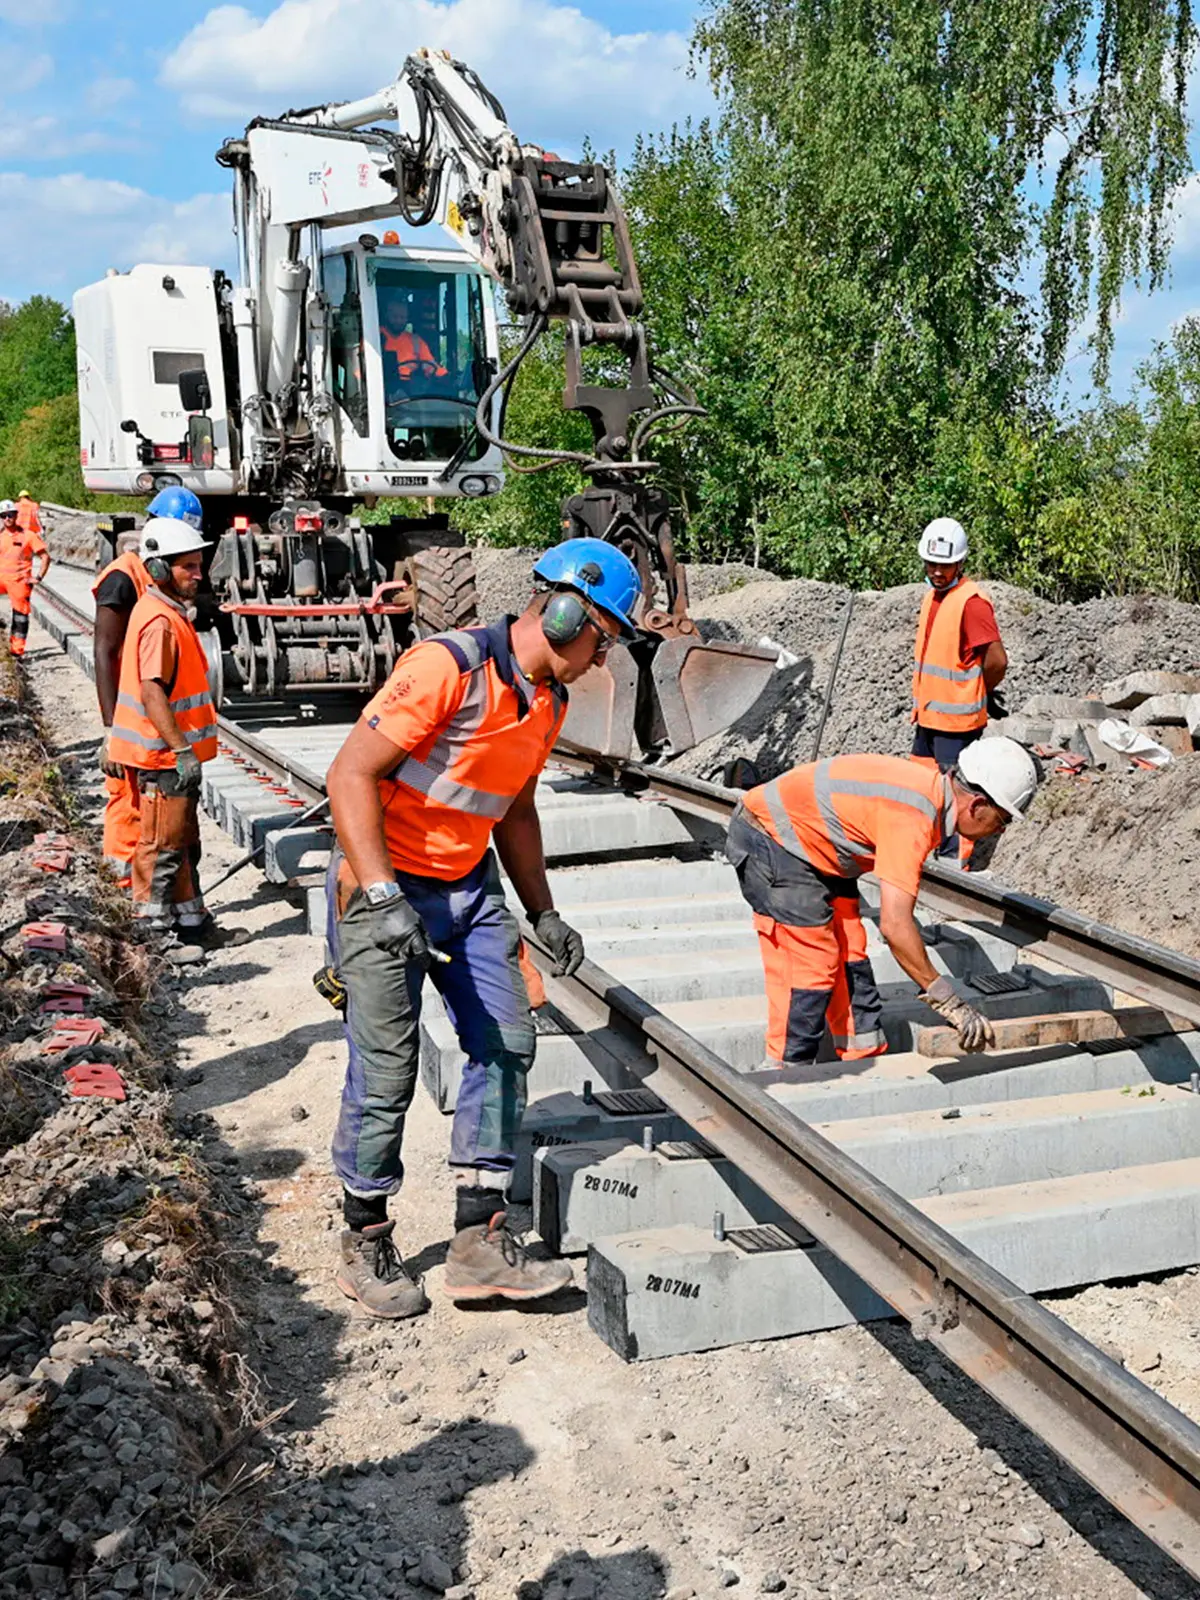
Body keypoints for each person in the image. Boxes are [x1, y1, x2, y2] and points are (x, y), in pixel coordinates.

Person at [324, 536, 641, 1319]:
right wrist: (380, 893)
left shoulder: (547, 702)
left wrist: (544, 911)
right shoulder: (447, 669)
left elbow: (516, 811)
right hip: (383, 886)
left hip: (469, 893)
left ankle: (479, 1237)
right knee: (389, 1069)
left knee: (506, 1043)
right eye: (603, 641)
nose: (601, 661)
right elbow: (349, 773)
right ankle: (363, 1236)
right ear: (567, 611)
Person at [726, 739, 1040, 1069]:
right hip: (772, 839)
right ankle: (784, 1070)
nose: (999, 831)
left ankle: (862, 1057)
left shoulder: (928, 796)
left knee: (851, 948)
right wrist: (947, 999)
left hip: (819, 847)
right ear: (976, 805)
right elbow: (895, 926)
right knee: (811, 963)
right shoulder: (914, 817)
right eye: (1001, 820)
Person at [104, 516, 225, 960]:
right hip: (160, 756)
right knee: (160, 846)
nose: (198, 574)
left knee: (181, 841)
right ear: (158, 571)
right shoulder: (158, 621)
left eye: (198, 565)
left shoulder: (168, 612)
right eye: (187, 567)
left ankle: (193, 925)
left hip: (171, 755)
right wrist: (180, 750)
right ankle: (153, 938)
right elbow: (154, 692)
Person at [94, 488, 204, 886]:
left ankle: (164, 899)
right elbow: (105, 651)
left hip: (155, 725)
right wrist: (110, 729)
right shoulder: (124, 577)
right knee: (130, 809)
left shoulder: (164, 578)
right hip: (133, 722)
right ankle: (126, 893)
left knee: (164, 824)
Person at [0, 497, 50, 658]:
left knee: (20, 616)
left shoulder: (28, 536)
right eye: (4, 515)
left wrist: (38, 577)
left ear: (15, 515)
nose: (7, 518)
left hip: (20, 581)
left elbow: (45, 557)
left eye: (10, 515)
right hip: (1, 578)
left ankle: (17, 651)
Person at [380, 290, 448, 384]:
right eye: (395, 317)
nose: (399, 321)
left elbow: (431, 365)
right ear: (386, 315)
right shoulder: (376, 338)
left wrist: (446, 377)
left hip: (413, 392)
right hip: (385, 389)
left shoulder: (415, 341)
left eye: (403, 317)